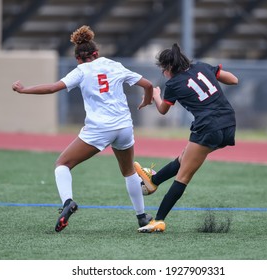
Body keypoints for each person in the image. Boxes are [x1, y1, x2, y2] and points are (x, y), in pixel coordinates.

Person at [12, 25, 154, 232]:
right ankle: (141, 217)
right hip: (123, 126)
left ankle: (68, 202)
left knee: (62, 164)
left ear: (78, 58)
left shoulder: (80, 70)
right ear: (97, 54)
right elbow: (148, 85)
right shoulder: (114, 65)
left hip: (99, 129)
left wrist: (24, 90)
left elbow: (53, 88)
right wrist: (146, 102)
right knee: (129, 171)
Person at [134, 43, 238, 233]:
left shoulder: (172, 84)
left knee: (183, 176)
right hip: (229, 124)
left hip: (208, 126)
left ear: (169, 68)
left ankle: (158, 220)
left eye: (163, 70)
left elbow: (163, 110)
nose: (163, 74)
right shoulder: (202, 66)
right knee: (184, 158)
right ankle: (153, 182)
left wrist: (156, 95)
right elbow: (233, 80)